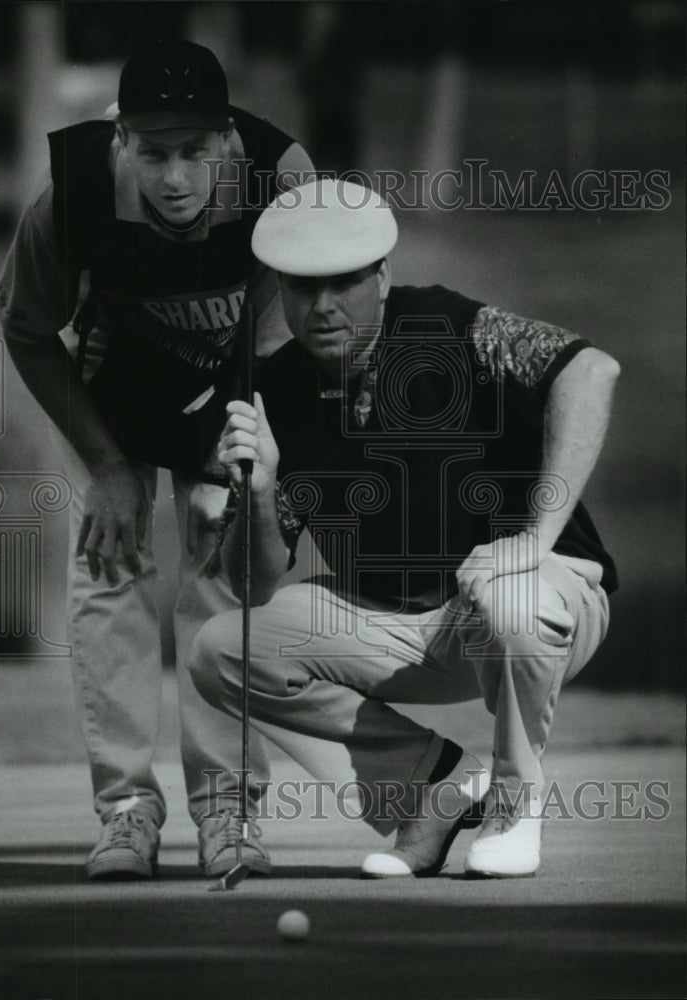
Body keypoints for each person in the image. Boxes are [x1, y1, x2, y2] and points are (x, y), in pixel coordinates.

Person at [191, 179, 620, 878]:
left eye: (343, 283)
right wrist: (261, 490)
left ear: (382, 277)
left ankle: (514, 803)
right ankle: (430, 789)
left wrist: (535, 539)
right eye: (301, 288)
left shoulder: (450, 330)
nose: (322, 306)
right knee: (221, 647)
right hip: (402, 628)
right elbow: (250, 581)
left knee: (509, 596)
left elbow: (591, 372)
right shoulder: (281, 390)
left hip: (536, 602)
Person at [0, 38, 314, 880]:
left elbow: (294, 317)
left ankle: (227, 812)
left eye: (193, 153)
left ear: (225, 144)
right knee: (112, 563)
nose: (174, 178)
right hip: (116, 383)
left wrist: (242, 443)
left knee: (225, 566)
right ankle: (127, 811)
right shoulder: (68, 197)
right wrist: (105, 467)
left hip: (236, 366)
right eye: (154, 153)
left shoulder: (283, 178)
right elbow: (28, 330)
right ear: (120, 142)